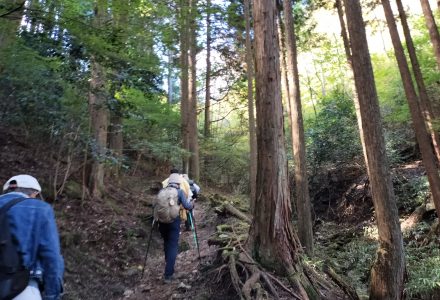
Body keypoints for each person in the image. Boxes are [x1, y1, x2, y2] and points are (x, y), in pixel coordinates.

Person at [0, 175, 64, 300]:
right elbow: (51, 257)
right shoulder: (40, 209)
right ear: (34, 192)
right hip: (22, 288)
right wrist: (53, 295)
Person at [158, 173, 193, 283]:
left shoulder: (161, 192)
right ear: (178, 183)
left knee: (166, 243)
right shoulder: (179, 192)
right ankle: (168, 274)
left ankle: (169, 266)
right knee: (173, 245)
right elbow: (187, 206)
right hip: (174, 222)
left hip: (162, 222)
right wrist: (192, 204)